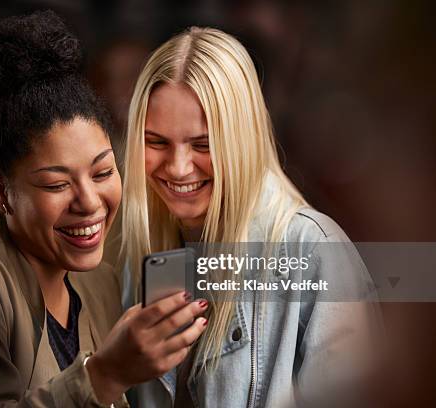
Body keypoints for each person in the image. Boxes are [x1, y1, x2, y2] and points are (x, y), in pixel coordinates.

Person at [0, 12, 208, 407]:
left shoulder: (101, 285)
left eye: (103, 172)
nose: (90, 202)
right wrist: (103, 376)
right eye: (57, 184)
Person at [121, 27, 381, 407]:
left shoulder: (315, 251)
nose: (177, 168)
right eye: (156, 142)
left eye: (202, 144)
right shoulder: (143, 253)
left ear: (242, 138)